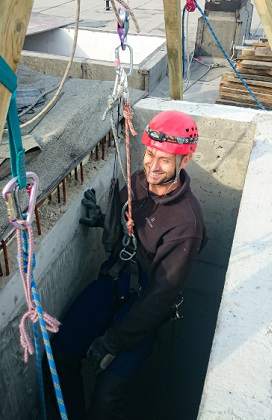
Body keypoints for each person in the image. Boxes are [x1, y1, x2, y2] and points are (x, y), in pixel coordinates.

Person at [51, 110, 207, 419]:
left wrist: (113, 340)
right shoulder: (138, 183)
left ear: (184, 162)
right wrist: (104, 220)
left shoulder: (185, 223)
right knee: (59, 354)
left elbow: (162, 294)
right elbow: (123, 234)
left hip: (145, 306)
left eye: (164, 160)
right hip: (116, 282)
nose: (152, 165)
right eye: (150, 154)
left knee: (108, 392)